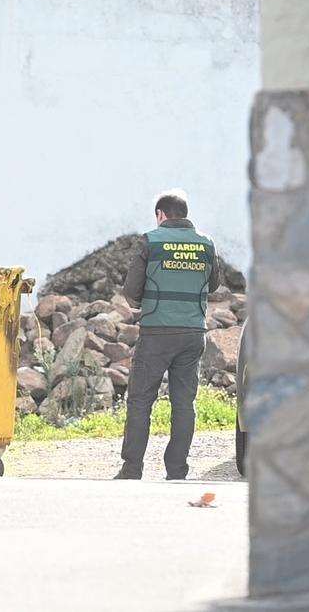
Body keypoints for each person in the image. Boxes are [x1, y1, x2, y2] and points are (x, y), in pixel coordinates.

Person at [116, 189, 220, 480]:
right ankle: (177, 470)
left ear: (160, 215)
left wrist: (143, 302)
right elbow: (213, 285)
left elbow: (130, 291)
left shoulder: (150, 241)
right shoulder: (206, 243)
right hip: (192, 333)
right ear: (184, 214)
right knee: (184, 403)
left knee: (140, 401)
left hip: (156, 332)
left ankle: (132, 468)